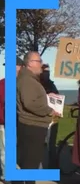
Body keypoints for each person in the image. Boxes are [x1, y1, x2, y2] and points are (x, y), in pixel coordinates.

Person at [16, 52, 60, 184]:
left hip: (32, 125)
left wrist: (47, 98)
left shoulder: (30, 79)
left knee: (28, 163)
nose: (41, 64)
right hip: (32, 126)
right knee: (30, 164)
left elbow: (33, 99)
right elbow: (30, 103)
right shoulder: (27, 80)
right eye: (38, 61)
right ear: (29, 63)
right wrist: (49, 110)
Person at [0, 58, 24, 184]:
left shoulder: (24, 83)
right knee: (5, 151)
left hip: (22, 123)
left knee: (19, 150)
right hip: (4, 123)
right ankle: (7, 176)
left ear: (20, 67)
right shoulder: (2, 84)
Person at [39, 63, 60, 169]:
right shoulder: (37, 84)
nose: (47, 74)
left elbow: (58, 97)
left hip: (53, 118)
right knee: (40, 143)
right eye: (45, 71)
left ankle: (53, 166)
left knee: (51, 144)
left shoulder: (52, 85)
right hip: (42, 118)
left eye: (48, 71)